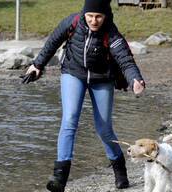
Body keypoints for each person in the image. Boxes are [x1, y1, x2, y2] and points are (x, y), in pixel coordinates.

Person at [25, 0, 145, 191]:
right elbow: (52, 43)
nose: (94, 20)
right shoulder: (72, 22)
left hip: (102, 78)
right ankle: (59, 178)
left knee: (104, 129)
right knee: (70, 119)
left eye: (98, 16)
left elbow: (125, 59)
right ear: (84, 14)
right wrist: (37, 65)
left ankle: (120, 171)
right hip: (72, 73)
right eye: (90, 16)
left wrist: (135, 80)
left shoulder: (111, 32)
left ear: (105, 16)